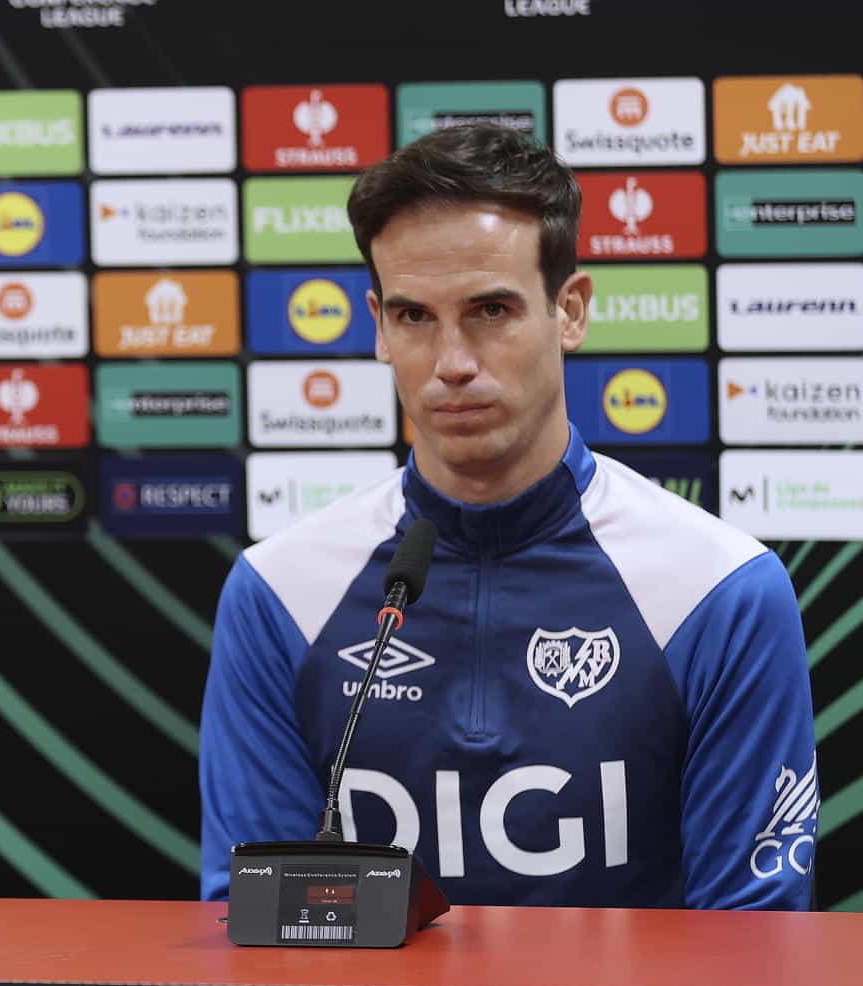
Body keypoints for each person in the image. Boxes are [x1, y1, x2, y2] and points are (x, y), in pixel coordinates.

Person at [198, 122, 818, 909]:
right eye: (414, 316)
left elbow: (751, 946)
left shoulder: (721, 589)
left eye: (490, 310)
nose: (453, 363)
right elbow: (257, 917)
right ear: (380, 327)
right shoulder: (278, 591)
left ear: (571, 310)